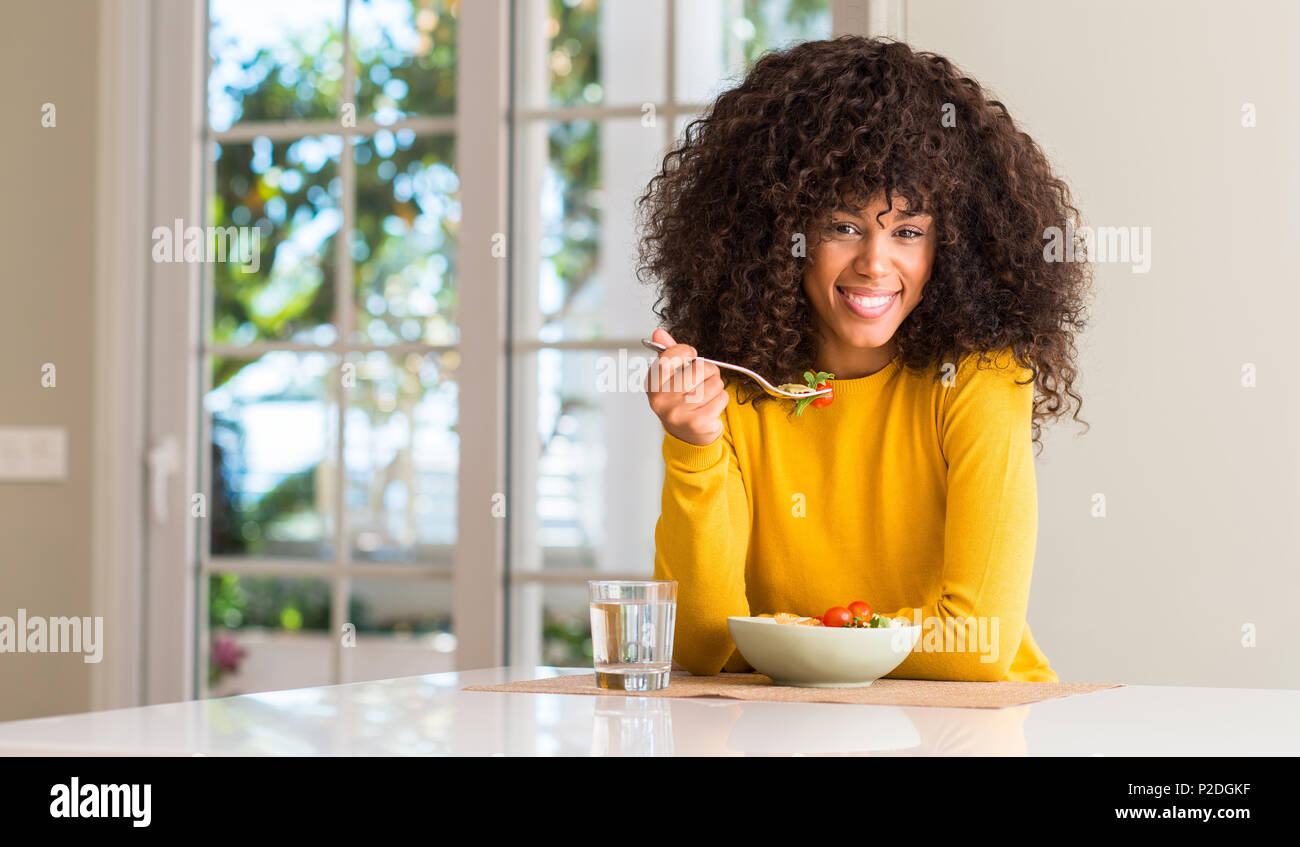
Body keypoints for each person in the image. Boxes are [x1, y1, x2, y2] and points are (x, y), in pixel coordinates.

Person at [637, 36, 1090, 682]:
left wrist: (789, 641)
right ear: (780, 231)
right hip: (788, 734)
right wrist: (692, 447)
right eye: (844, 226)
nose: (876, 263)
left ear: (951, 246)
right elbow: (706, 644)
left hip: (964, 733)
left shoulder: (976, 379)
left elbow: (978, 640)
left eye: (907, 231)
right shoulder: (733, 388)